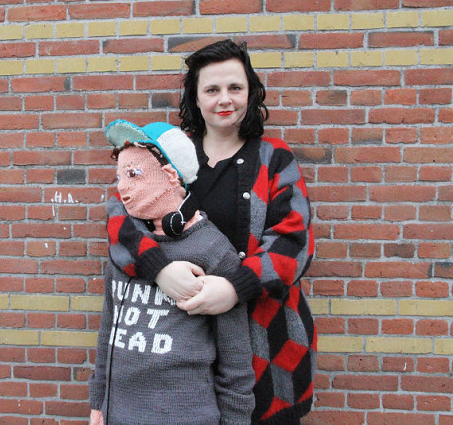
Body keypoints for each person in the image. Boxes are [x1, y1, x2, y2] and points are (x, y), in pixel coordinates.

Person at [103, 39, 317, 424]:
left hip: (265, 341)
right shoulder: (168, 152)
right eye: (212, 89)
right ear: (196, 98)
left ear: (251, 93)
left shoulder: (274, 158)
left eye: (235, 87)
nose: (225, 99)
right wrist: (159, 269)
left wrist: (236, 287)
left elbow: (294, 242)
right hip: (179, 351)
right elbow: (121, 214)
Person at [89, 120, 255, 425]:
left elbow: (236, 360)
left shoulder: (214, 250)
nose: (121, 187)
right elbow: (107, 330)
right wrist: (98, 403)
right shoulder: (124, 246)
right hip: (117, 415)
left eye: (133, 174)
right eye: (119, 176)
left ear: (170, 176)